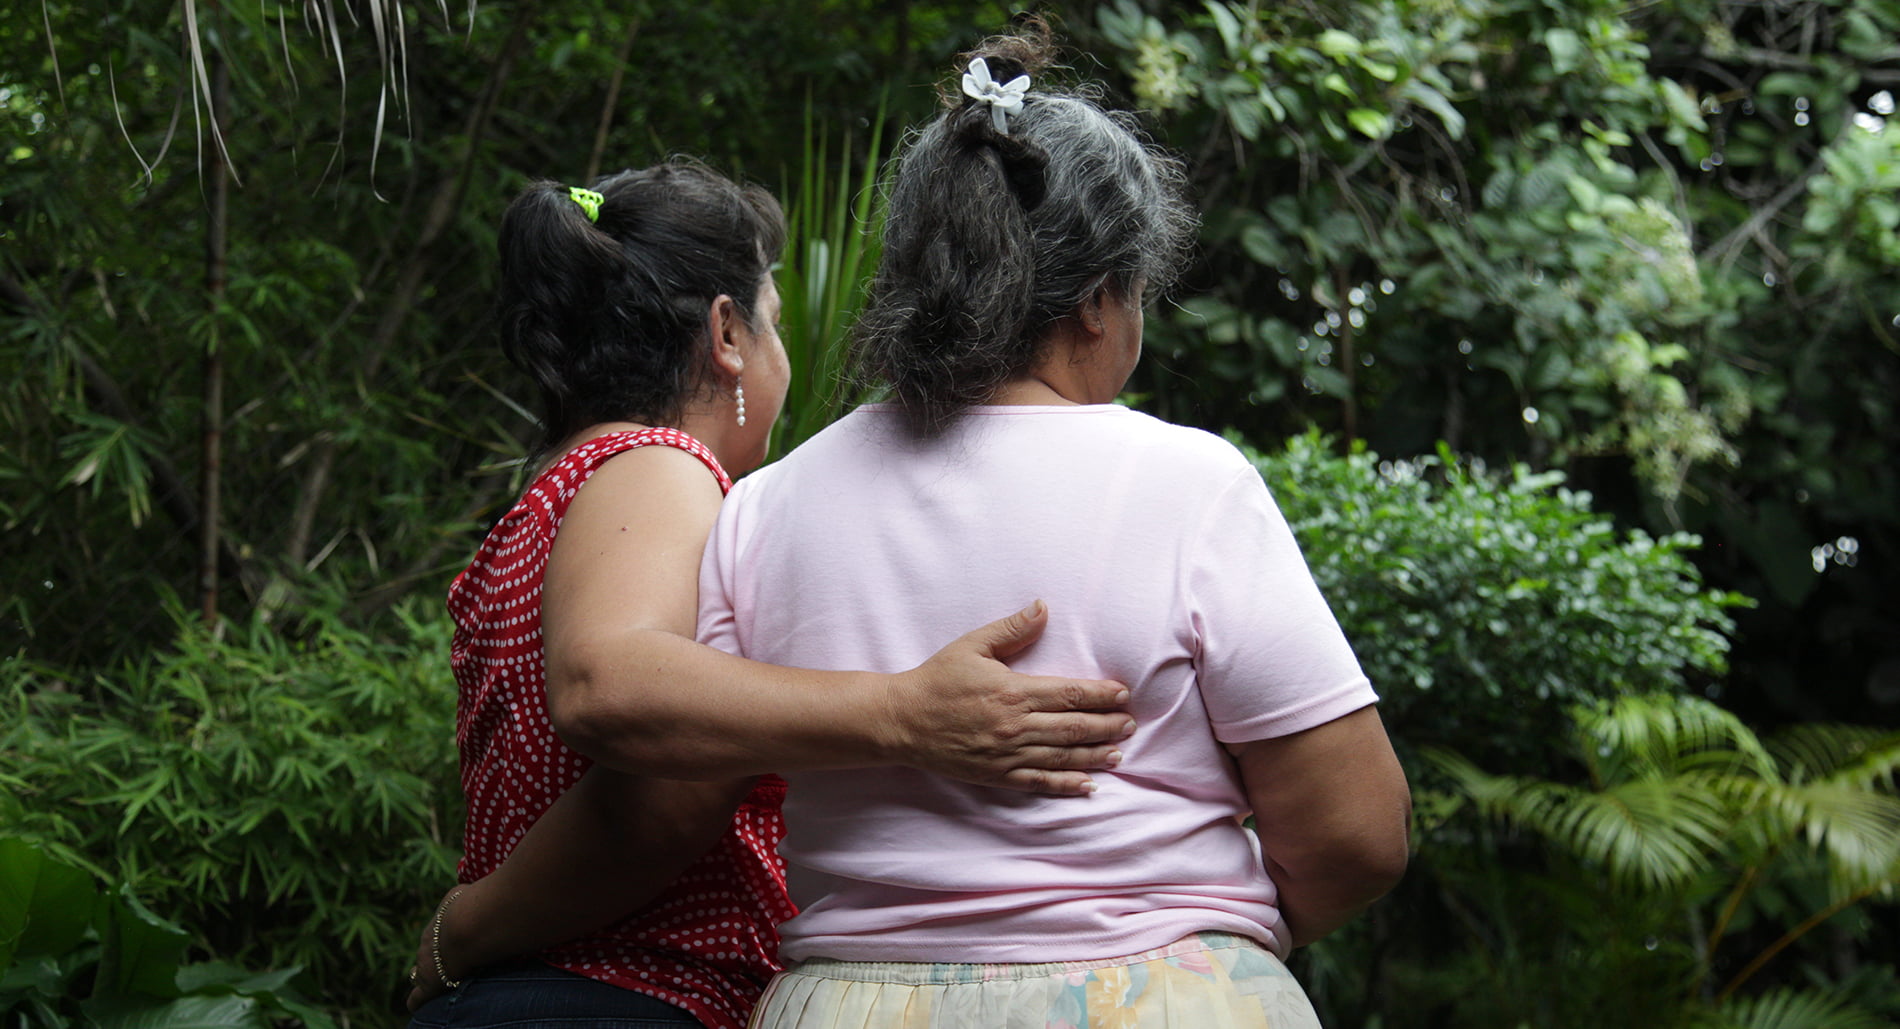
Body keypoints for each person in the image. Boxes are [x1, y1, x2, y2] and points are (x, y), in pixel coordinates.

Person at [695, 28, 1412, 1028]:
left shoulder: (764, 507)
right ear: (1094, 301)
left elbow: (688, 791)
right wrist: (1208, 942)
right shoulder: (1187, 485)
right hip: (1162, 993)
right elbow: (1357, 833)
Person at [405, 160, 1137, 1029]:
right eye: (775, 323)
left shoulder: (556, 498)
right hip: (623, 996)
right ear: (726, 333)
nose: (784, 353)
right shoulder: (658, 467)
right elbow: (635, 733)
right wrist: (904, 711)